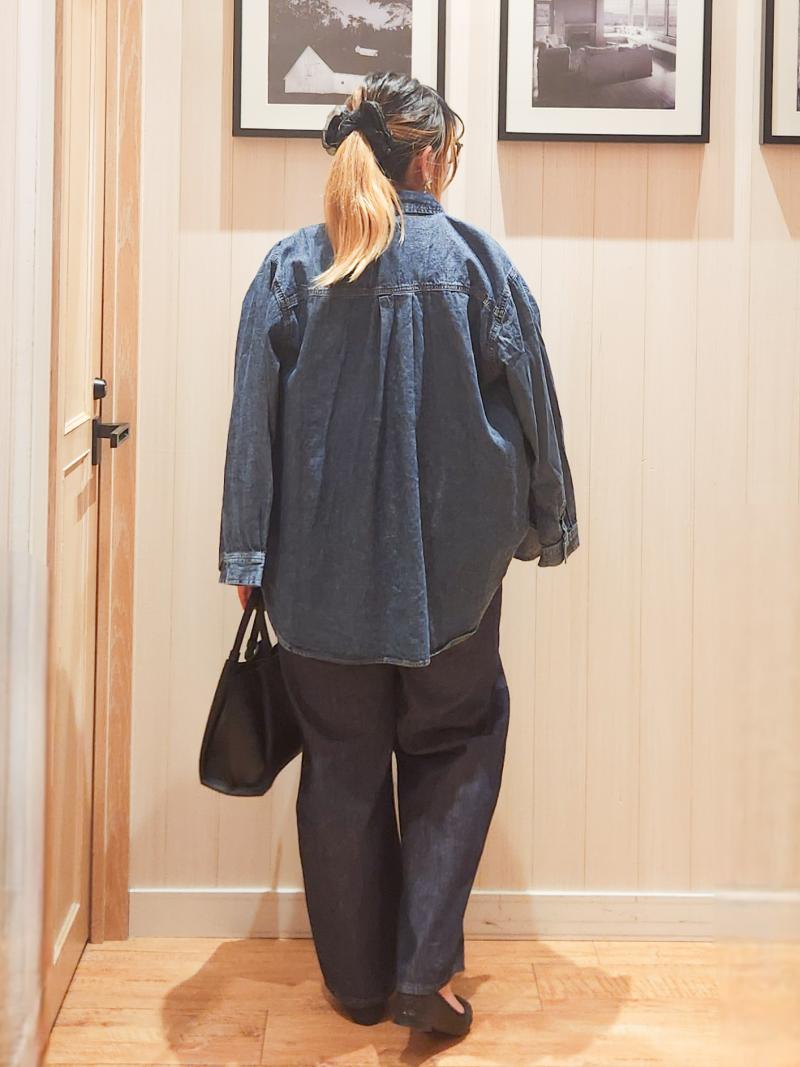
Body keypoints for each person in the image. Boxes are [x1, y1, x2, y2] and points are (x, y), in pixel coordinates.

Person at [217, 71, 579, 1037]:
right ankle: (424, 974)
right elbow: (535, 409)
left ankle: (358, 985)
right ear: (428, 159)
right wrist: (547, 523)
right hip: (457, 578)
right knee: (455, 745)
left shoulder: (294, 266)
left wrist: (247, 555)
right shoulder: (477, 263)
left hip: (315, 582)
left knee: (339, 765)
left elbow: (252, 422)